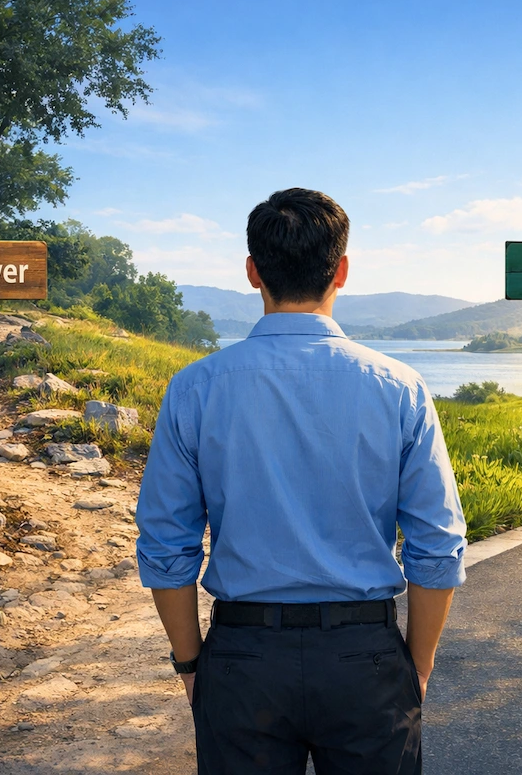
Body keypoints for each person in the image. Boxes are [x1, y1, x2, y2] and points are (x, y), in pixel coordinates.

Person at [136, 187, 467, 774]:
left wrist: (191, 666)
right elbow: (436, 546)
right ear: (341, 270)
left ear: (251, 271)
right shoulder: (401, 388)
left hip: (243, 660)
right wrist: (416, 666)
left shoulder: (195, 388)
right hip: (365, 660)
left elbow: (166, 546)